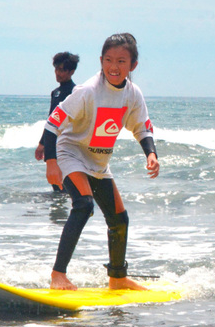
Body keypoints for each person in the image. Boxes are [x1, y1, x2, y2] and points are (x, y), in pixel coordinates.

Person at [40, 33, 159, 291]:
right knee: (83, 205)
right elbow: (52, 125)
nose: (113, 66)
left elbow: (142, 128)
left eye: (121, 61)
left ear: (133, 65)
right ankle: (58, 275)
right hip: (71, 152)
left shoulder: (133, 95)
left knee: (119, 218)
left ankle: (117, 278)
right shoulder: (87, 91)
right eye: (108, 60)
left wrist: (151, 154)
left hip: (98, 160)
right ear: (101, 60)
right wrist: (51, 163)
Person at [35, 52, 80, 192]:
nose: (57, 73)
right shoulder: (55, 92)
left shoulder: (76, 93)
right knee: (56, 184)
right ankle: (58, 212)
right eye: (56, 69)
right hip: (53, 143)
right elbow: (51, 121)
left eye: (62, 70)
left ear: (71, 72)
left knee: (67, 186)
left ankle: (65, 210)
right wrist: (42, 144)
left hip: (68, 145)